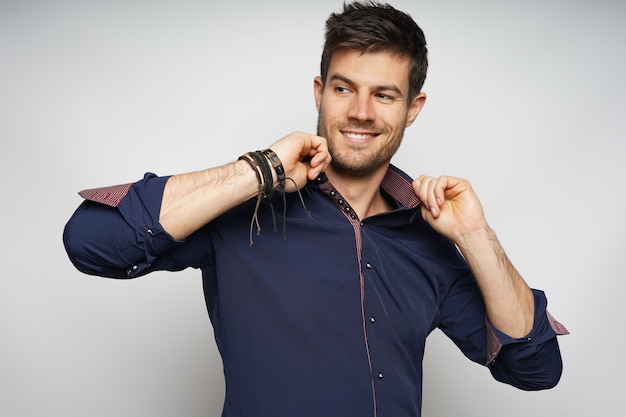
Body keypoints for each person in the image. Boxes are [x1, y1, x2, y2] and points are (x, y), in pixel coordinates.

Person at [63, 1, 568, 416]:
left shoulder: (429, 238)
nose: (361, 112)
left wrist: (475, 235)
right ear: (319, 92)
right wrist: (256, 172)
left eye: (385, 95)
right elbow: (89, 242)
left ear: (413, 108)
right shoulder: (244, 209)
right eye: (345, 88)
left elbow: (535, 368)